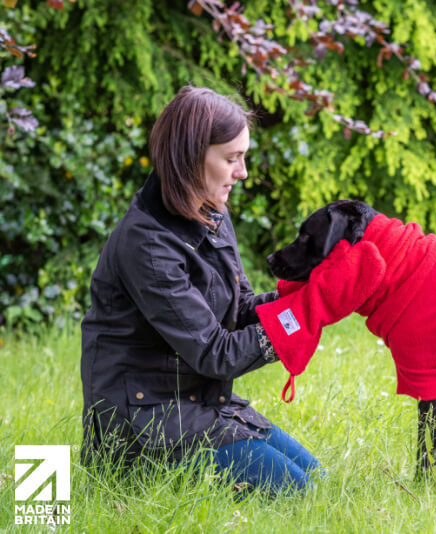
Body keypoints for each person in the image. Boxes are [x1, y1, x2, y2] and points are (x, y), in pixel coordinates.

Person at [80, 85, 320, 494]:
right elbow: (216, 353)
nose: (242, 172)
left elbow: (240, 307)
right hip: (144, 420)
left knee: (314, 477)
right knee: (298, 491)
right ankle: (126, 475)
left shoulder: (210, 211)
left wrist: (310, 295)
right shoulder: (147, 245)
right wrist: (299, 319)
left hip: (199, 401)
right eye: (231, 158)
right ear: (191, 158)